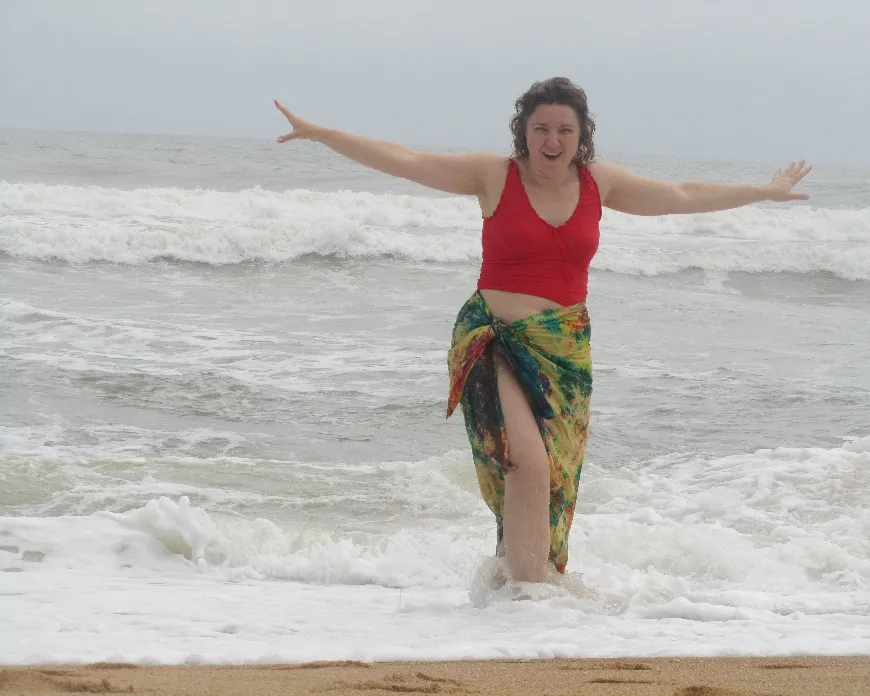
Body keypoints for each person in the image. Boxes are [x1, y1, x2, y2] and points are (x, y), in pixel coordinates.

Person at [274, 77, 812, 585]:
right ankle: (530, 597)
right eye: (541, 129)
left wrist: (764, 192)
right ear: (523, 131)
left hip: (564, 350)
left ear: (581, 135)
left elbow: (681, 194)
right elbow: (406, 160)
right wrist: (323, 134)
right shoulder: (493, 176)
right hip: (493, 339)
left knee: (552, 476)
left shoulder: (599, 182)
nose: (552, 141)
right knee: (527, 461)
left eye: (564, 130)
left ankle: (516, 584)